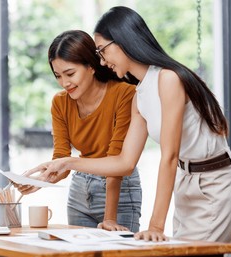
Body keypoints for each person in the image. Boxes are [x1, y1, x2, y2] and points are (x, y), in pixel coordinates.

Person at [27, 6, 231, 243]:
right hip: (185, 184)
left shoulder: (168, 79)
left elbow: (169, 156)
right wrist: (66, 162)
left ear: (124, 41)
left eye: (102, 51)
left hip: (212, 186)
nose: (102, 61)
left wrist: (155, 226)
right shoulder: (140, 94)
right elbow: (125, 163)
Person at [17, 30, 142, 232]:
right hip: (79, 190)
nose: (64, 83)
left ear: (91, 66)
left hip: (118, 192)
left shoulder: (124, 94)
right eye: (58, 76)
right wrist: (41, 181)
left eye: (70, 74)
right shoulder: (60, 102)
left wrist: (109, 217)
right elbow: (61, 158)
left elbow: (117, 161)